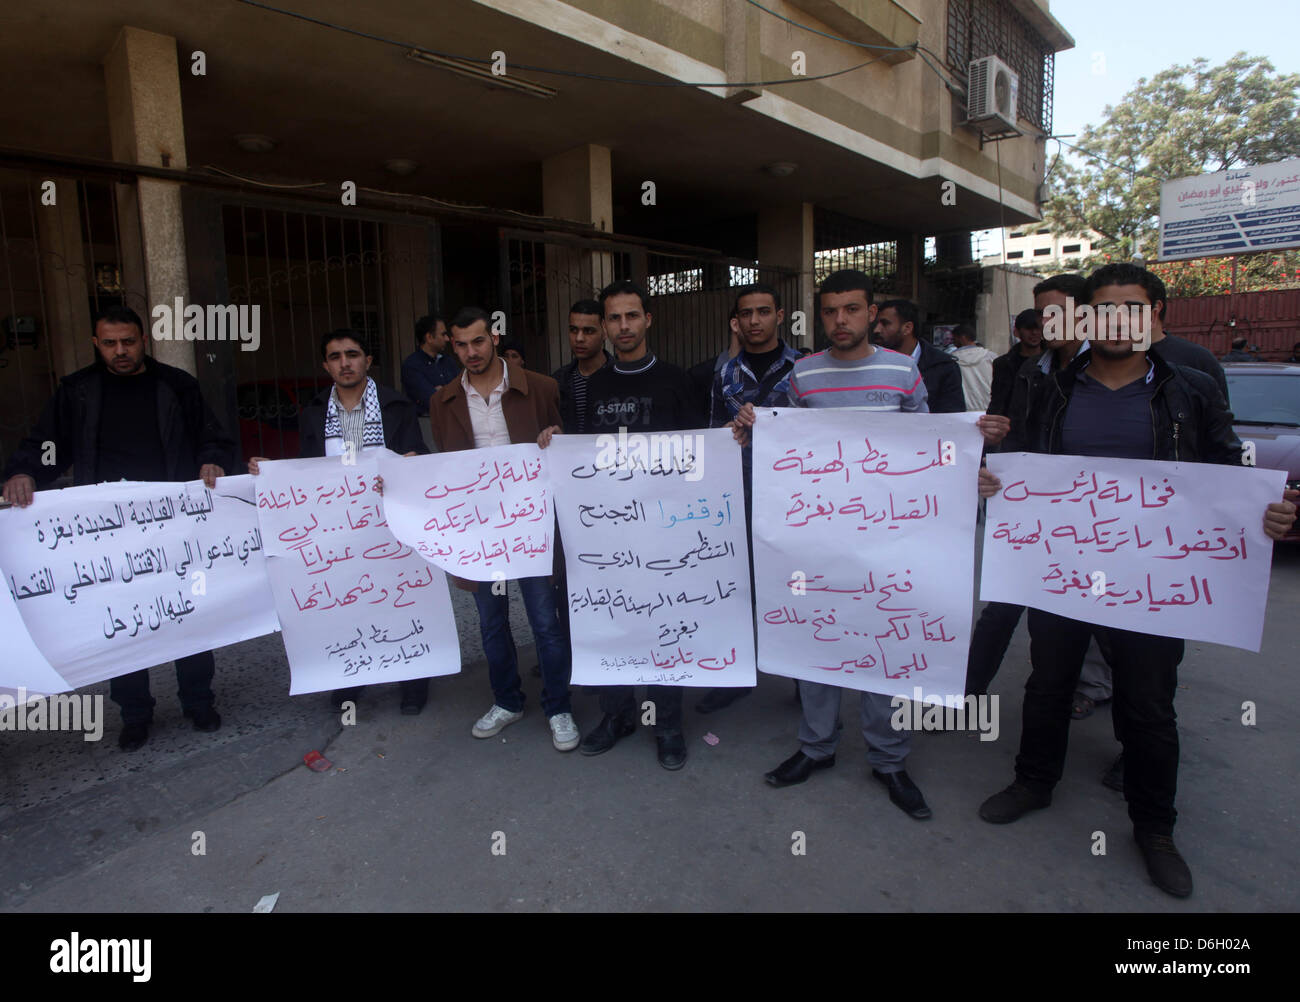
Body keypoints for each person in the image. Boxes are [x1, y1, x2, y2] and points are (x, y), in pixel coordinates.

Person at [977, 265, 1298, 898]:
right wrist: (995, 481)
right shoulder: (1050, 389)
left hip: (1155, 579)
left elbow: (1228, 468)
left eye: (1132, 308)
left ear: (1157, 317)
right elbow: (1023, 470)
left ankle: (1154, 828)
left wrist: (1267, 510)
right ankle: (1033, 782)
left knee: (1148, 706)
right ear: (1083, 320)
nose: (1116, 321)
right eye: (1102, 310)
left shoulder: (1193, 388)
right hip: (1061, 573)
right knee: (1047, 684)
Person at [734, 269, 1004, 819]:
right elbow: (785, 444)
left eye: (852, 310)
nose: (840, 320)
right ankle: (816, 748)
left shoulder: (904, 371)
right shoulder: (801, 376)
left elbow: (928, 448)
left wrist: (967, 469)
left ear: (870, 312)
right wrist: (751, 425)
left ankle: (889, 760)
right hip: (817, 539)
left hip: (889, 540)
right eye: (831, 310)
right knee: (817, 643)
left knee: (886, 643)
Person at [1, 305, 234, 752]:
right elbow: (47, 445)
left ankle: (198, 702)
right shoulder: (77, 391)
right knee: (121, 621)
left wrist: (213, 459)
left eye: (128, 341)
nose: (120, 351)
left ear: (144, 340)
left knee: (188, 612)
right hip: (104, 535)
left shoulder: (176, 385)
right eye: (110, 343)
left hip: (173, 526)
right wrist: (25, 471)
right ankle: (135, 714)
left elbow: (212, 436)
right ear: (96, 344)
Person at [539, 279, 698, 770]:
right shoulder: (593, 385)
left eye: (632, 316)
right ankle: (617, 715)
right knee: (611, 619)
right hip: (607, 530)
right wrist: (557, 440)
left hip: (666, 531)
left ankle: (667, 723)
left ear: (648, 320)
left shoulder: (677, 380)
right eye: (614, 318)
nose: (623, 327)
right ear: (605, 326)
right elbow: (583, 452)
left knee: (665, 623)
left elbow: (699, 454)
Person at [250, 329, 431, 713]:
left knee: (400, 600)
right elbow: (307, 468)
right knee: (347, 601)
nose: (344, 362)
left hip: (391, 521)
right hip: (338, 527)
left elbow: (419, 453)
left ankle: (414, 678)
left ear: (368, 360)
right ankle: (353, 675)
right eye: (335, 356)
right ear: (326, 365)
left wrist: (412, 462)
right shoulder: (315, 411)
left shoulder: (396, 406)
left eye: (352, 354)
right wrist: (273, 472)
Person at [429, 308, 577, 752]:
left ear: (494, 338)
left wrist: (557, 436)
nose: (470, 352)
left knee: (544, 623)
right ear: (452, 346)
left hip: (532, 527)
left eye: (477, 341)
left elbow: (567, 446)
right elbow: (446, 463)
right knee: (492, 624)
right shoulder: (443, 401)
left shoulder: (542, 388)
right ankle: (507, 701)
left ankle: (559, 706)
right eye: (460, 344)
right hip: (480, 534)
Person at [693, 282, 802, 716]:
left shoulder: (806, 368)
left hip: (792, 500)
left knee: (793, 586)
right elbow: (711, 431)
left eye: (763, 311)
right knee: (734, 589)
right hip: (735, 499)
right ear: (736, 322)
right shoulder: (724, 373)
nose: (755, 321)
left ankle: (803, 676)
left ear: (779, 315)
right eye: (746, 314)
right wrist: (728, 431)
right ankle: (735, 674)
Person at [873, 299, 966, 412]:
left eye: (885, 323)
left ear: (907, 328)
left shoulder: (943, 366)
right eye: (876, 324)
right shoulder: (871, 364)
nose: (877, 330)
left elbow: (952, 418)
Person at [551, 300, 611, 435]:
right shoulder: (557, 381)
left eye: (588, 331)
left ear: (605, 332)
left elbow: (626, 432)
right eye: (573, 330)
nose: (579, 338)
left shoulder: (621, 378)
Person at [989, 308, 1045, 418]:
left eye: (1038, 328)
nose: (1034, 333)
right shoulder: (1003, 364)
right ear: (1017, 332)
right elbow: (998, 400)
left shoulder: (1054, 360)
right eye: (1029, 328)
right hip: (1013, 425)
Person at [401, 314, 458, 413]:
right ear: (429, 337)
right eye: (443, 334)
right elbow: (431, 400)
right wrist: (449, 391)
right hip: (426, 424)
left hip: (453, 421)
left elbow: (465, 393)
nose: (447, 339)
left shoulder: (448, 362)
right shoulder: (411, 366)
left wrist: (442, 390)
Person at [949, 324, 998, 411]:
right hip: (989, 408)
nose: (953, 342)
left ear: (962, 338)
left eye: (954, 339)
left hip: (964, 411)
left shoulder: (950, 362)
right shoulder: (991, 357)